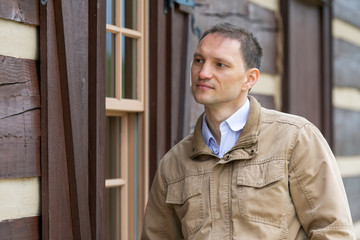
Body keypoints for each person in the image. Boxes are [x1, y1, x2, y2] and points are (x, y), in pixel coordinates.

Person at [141, 23, 356, 239]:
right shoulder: (173, 163)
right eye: (199, 60)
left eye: (220, 65)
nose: (204, 72)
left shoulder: (295, 138)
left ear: (250, 79)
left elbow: (333, 231)